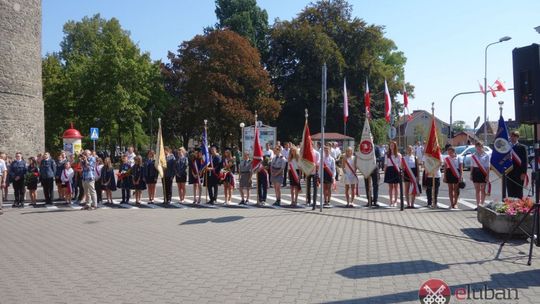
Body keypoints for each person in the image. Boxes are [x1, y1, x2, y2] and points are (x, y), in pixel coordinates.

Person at [507, 131, 528, 198]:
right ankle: (511, 207)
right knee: (510, 191)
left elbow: (525, 161)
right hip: (509, 172)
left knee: (518, 191)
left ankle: (518, 207)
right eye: (511, 136)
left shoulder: (522, 147)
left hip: (519, 172)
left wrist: (524, 173)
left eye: (514, 136)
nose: (512, 138)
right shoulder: (507, 147)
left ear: (517, 137)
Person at [470, 142, 490, 210]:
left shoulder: (486, 155)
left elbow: (487, 167)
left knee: (483, 189)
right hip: (475, 172)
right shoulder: (473, 155)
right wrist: (471, 174)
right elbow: (472, 166)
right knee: (477, 190)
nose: (478, 148)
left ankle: (482, 204)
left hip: (483, 172)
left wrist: (487, 176)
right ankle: (478, 205)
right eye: (477, 146)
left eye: (480, 146)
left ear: (482, 146)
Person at [384, 141, 401, 207]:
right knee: (390, 187)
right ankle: (391, 201)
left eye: (393, 145)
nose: (391, 146)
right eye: (390, 145)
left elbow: (400, 165)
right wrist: (385, 172)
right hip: (389, 170)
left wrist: (400, 171)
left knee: (396, 187)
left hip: (396, 170)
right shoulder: (387, 154)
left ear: (395, 146)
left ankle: (396, 201)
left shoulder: (399, 155)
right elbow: (385, 164)